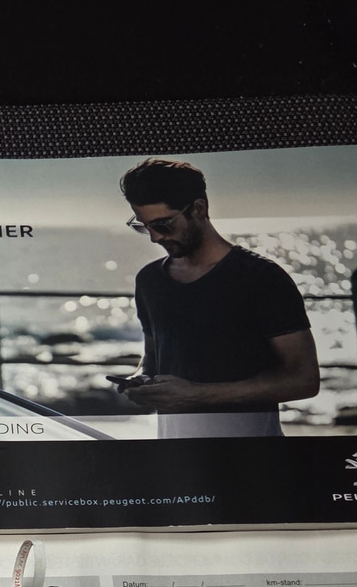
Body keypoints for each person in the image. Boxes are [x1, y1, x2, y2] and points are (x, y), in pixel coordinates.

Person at [116, 158, 319, 438]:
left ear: (199, 208)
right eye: (144, 226)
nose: (154, 238)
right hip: (177, 452)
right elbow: (153, 357)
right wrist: (141, 380)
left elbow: (304, 380)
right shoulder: (150, 280)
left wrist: (196, 395)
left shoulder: (261, 277)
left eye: (163, 224)